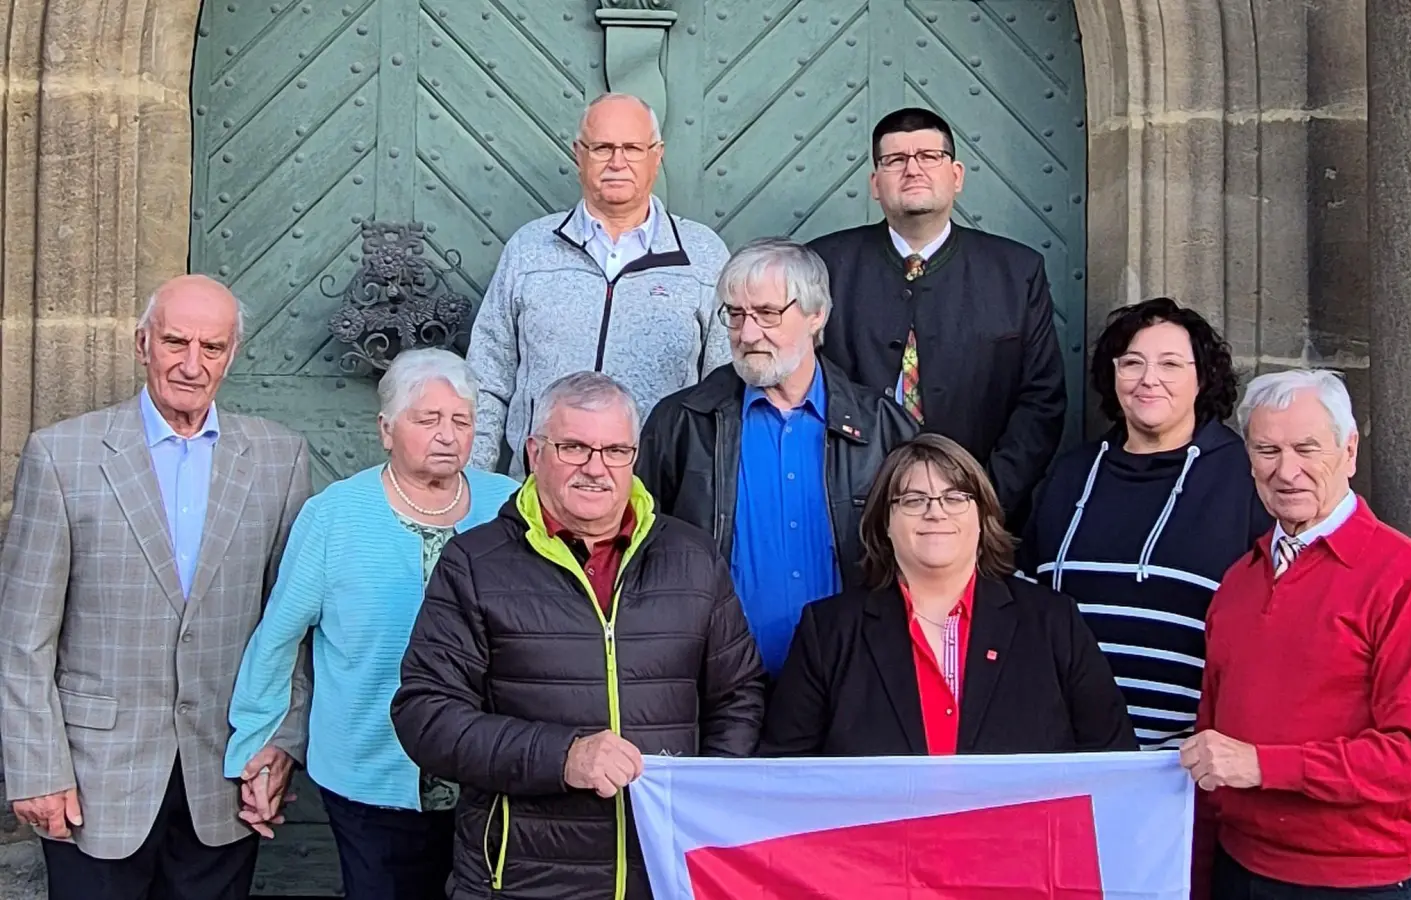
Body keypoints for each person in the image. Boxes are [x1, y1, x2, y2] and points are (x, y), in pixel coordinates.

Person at [390, 371, 765, 900]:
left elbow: (739, 695)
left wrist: (701, 793)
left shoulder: (693, 558)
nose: (596, 468)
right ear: (534, 452)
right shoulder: (475, 564)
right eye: (574, 448)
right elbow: (425, 715)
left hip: (664, 871)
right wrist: (563, 756)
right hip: (521, 878)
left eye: (615, 450)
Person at [0, 274, 313, 900]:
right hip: (94, 780)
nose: (192, 365)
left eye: (212, 347)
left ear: (231, 354)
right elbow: (21, 638)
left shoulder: (280, 459)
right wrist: (35, 769)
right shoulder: (62, 456)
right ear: (143, 344)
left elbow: (292, 626)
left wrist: (282, 741)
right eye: (175, 342)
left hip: (226, 774)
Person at [223, 349, 518, 900]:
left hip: (488, 774)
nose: (448, 435)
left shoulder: (508, 507)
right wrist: (256, 742)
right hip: (368, 774)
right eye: (428, 419)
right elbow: (279, 638)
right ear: (386, 429)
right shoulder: (335, 515)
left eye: (461, 420)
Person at [1179, 369, 1411, 900]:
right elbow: (1210, 747)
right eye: (1267, 451)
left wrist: (1264, 765)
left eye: (1306, 448)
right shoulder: (1238, 582)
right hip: (1237, 866)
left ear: (1349, 450)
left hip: (1352, 880)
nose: (1286, 471)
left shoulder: (1408, 580)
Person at [636, 237, 918, 675]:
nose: (748, 335)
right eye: (735, 315)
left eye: (767, 313)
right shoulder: (683, 423)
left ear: (816, 315)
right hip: (718, 682)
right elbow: (636, 557)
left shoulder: (883, 428)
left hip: (852, 677)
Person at [759, 433, 1136, 757]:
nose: (935, 513)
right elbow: (784, 775)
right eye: (913, 500)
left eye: (955, 498)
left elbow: (1113, 761)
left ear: (983, 516)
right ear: (885, 523)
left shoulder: (1053, 622)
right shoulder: (828, 632)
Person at [1018, 297, 1272, 750]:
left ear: (1202, 377)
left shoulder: (1245, 478)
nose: (1149, 379)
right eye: (1132, 363)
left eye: (1170, 364)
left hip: (1188, 760)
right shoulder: (1070, 475)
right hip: (1067, 755)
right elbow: (1025, 600)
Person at [808, 107, 1066, 525]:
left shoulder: (1016, 271)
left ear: (956, 175)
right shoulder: (824, 265)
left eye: (929, 156)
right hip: (847, 514)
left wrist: (985, 499)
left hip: (982, 513)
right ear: (875, 184)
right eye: (895, 160)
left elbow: (1041, 400)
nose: (913, 169)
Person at [467, 92, 732, 477]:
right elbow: (487, 378)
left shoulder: (702, 255)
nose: (617, 162)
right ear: (579, 154)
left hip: (659, 491)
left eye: (632, 148)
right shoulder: (530, 249)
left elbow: (724, 389)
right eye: (603, 148)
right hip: (539, 489)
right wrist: (475, 482)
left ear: (657, 155)